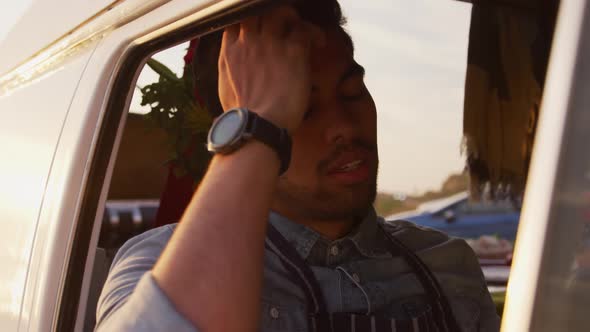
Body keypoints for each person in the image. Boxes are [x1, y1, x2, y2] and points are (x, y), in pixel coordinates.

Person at [96, 2, 500, 331]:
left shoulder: (448, 264)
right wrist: (257, 128)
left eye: (353, 92)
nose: (342, 126)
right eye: (301, 109)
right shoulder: (156, 264)